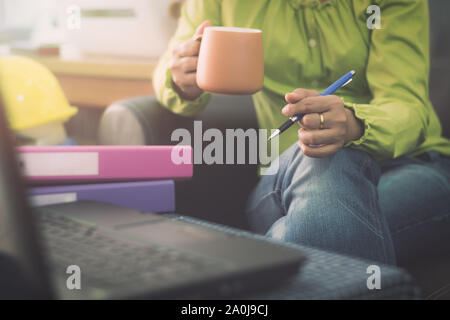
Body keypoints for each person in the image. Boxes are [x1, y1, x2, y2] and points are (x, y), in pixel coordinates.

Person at [153, 0, 450, 265]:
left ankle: (269, 255)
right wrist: (181, 76)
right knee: (322, 159)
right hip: (285, 178)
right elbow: (171, 64)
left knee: (309, 204)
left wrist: (352, 124)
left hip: (409, 166)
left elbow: (407, 106)